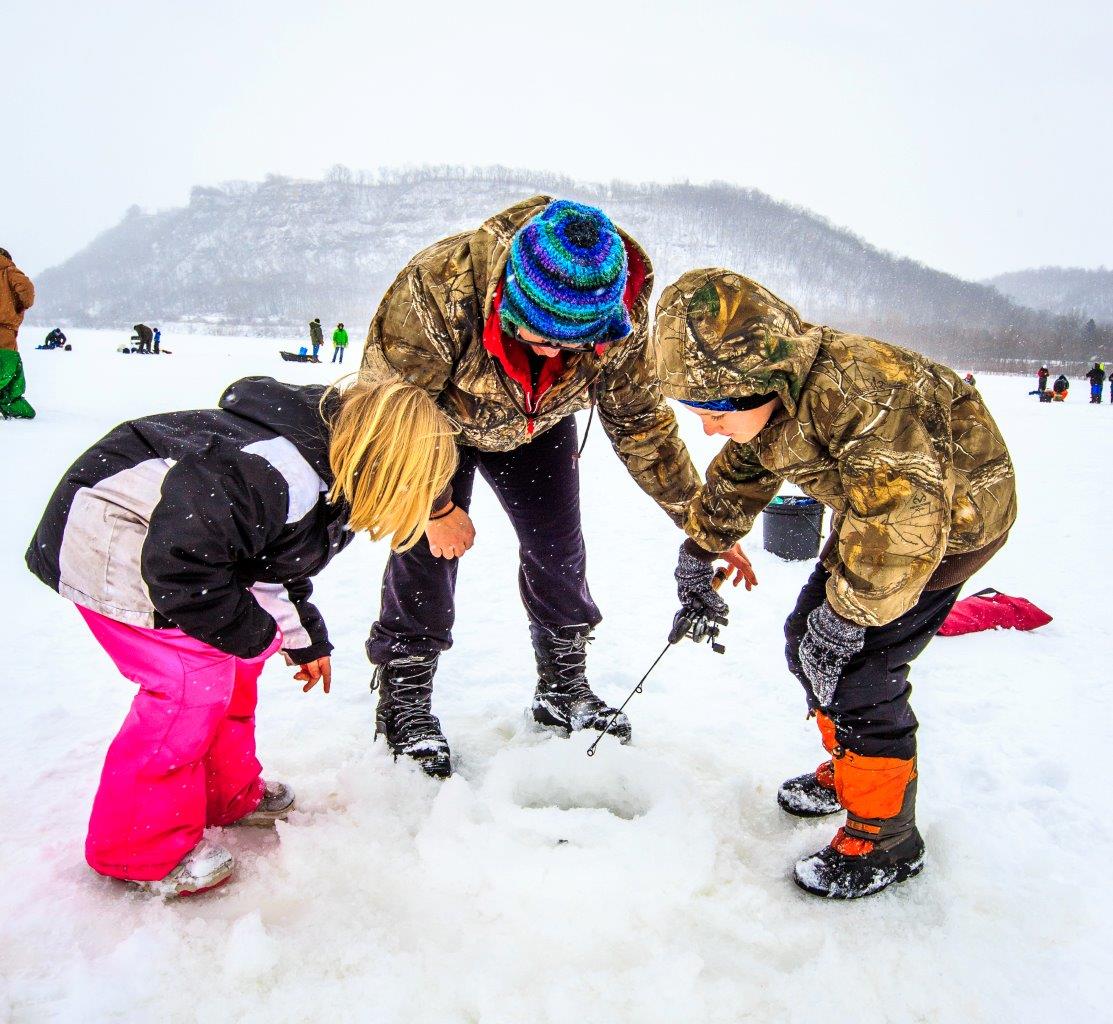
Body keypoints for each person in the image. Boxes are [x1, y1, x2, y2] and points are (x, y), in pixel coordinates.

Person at [653, 269, 1016, 899]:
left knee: (860, 673)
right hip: (872, 518)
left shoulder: (864, 395)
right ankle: (856, 767)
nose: (707, 428)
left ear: (755, 383)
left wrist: (849, 618)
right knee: (806, 639)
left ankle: (887, 834)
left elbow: (904, 526)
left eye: (712, 412)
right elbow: (742, 474)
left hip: (946, 531)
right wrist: (699, 550)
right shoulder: (770, 401)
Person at [360, 196, 754, 778]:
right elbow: (385, 410)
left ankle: (563, 686)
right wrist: (436, 504)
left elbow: (642, 424)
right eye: (537, 336)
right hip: (432, 424)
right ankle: (406, 700)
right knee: (426, 551)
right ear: (507, 296)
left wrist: (700, 522)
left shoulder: (615, 317)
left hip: (537, 426)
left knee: (558, 549)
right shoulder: (438, 290)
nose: (550, 351)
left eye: (570, 345)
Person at [25, 375, 457, 896]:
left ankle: (225, 794)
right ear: (387, 470)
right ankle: (137, 848)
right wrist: (255, 635)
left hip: (185, 553)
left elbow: (271, 565)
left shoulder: (327, 474)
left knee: (237, 663)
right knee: (190, 682)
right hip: (112, 536)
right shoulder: (275, 473)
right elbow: (182, 570)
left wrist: (301, 641)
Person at [0, 246, 36, 419]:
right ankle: (10, 403)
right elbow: (27, 292)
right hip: (3, 330)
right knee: (9, 369)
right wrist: (21, 304)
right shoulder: (9, 271)